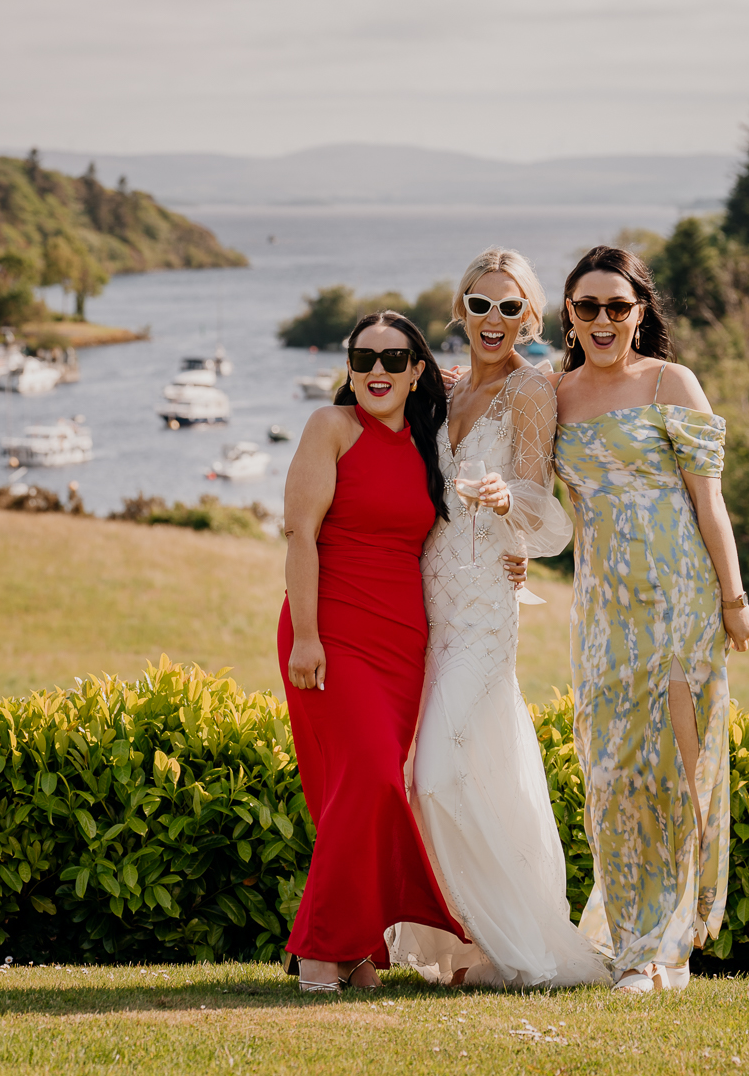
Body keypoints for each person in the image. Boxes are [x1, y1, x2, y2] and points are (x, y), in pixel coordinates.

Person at [386, 248, 612, 989]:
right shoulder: (440, 389)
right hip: (420, 602)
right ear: (459, 309)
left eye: (510, 307)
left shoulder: (532, 391)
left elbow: (551, 527)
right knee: (470, 766)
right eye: (480, 305)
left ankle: (517, 943)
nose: (493, 320)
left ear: (530, 317)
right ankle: (462, 945)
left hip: (484, 607)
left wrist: (505, 500)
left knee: (439, 774)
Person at [551, 245, 749, 993]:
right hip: (603, 609)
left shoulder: (673, 382)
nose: (602, 320)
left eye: (617, 306)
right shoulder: (555, 394)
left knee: (671, 770)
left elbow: (710, 503)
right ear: (568, 315)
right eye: (586, 307)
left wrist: (733, 598)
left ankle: (661, 953)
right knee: (609, 772)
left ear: (641, 311)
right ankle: (628, 933)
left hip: (680, 601)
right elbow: (530, 493)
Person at [280, 310, 467, 992]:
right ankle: (322, 953)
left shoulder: (428, 441)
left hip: (401, 640)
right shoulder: (331, 429)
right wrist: (306, 636)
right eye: (364, 359)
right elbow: (300, 535)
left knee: (368, 792)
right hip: (328, 629)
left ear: (418, 370)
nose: (378, 372)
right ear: (348, 367)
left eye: (395, 360)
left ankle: (355, 949)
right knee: (368, 781)